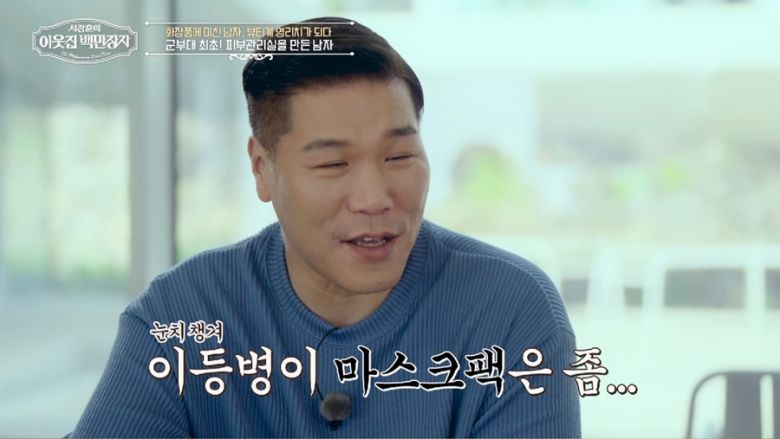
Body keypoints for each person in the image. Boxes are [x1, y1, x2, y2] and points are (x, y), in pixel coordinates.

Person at [71, 16, 580, 437]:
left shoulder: (510, 310)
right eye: (333, 164)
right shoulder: (181, 316)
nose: (375, 198)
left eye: (400, 155)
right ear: (262, 169)